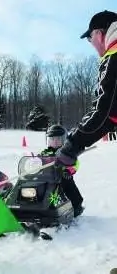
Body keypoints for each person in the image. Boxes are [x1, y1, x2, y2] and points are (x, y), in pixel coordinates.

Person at [55, 11, 117, 173]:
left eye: (90, 38)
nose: (91, 43)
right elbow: (113, 116)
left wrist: (73, 143)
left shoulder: (115, 55)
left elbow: (104, 110)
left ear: (99, 33)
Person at [40, 125, 84, 217]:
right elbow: (38, 161)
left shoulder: (66, 153)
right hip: (47, 178)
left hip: (63, 177)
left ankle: (76, 206)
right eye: (52, 139)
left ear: (64, 140)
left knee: (70, 189)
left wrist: (68, 171)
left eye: (58, 139)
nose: (55, 142)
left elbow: (75, 164)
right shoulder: (45, 153)